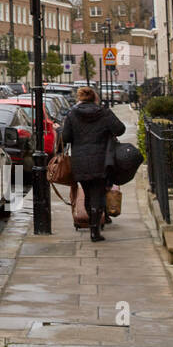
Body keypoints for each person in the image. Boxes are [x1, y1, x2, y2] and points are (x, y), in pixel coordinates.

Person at [58, 86, 125, 242]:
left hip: (80, 161)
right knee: (98, 193)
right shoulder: (104, 112)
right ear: (95, 97)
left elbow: (66, 137)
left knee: (88, 194)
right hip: (101, 160)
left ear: (80, 98)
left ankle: (93, 224)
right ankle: (95, 230)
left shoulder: (72, 114)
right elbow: (120, 129)